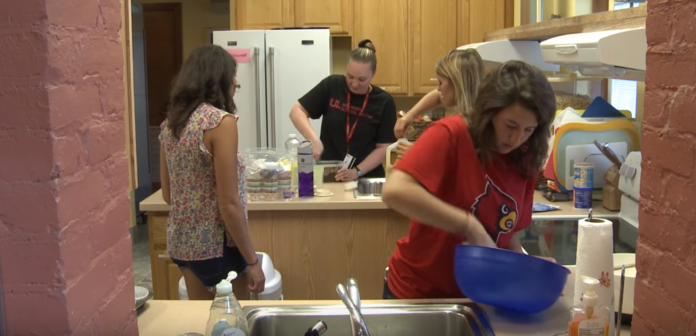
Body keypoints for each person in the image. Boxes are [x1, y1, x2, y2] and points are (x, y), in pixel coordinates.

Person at [381, 60, 557, 299]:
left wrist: (525, 265)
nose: (516, 138)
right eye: (510, 125)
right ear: (490, 112)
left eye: (528, 130)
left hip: (477, 297)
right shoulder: (452, 134)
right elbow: (394, 191)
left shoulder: (525, 157)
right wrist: (468, 225)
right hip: (418, 294)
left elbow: (507, 235)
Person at [159, 45, 265, 300]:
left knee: (201, 320)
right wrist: (252, 261)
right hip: (219, 245)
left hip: (184, 244)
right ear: (221, 79)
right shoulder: (220, 122)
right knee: (233, 322)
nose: (235, 83)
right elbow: (229, 204)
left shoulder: (170, 124)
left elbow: (168, 194)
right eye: (233, 78)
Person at [289, 39, 397, 180]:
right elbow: (297, 111)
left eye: (362, 79)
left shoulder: (384, 101)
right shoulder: (332, 86)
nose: (354, 83)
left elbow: (384, 147)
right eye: (350, 76)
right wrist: (313, 140)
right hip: (330, 174)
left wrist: (356, 172)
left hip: (366, 178)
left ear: (373, 73)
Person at [392, 49, 485, 159]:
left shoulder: (469, 128)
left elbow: (455, 164)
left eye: (440, 82)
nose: (438, 89)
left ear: (457, 84)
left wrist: (420, 154)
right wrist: (410, 115)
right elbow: (437, 96)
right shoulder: (480, 110)